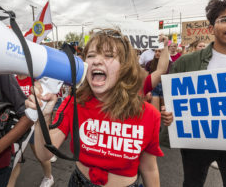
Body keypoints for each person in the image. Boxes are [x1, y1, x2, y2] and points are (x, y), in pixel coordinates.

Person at [27, 28, 163, 187]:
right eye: (91, 55)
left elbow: (149, 168)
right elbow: (44, 154)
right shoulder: (75, 103)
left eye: (109, 55)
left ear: (125, 66)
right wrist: (42, 117)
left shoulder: (149, 114)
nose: (97, 61)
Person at [161, 0, 226, 187]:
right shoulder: (187, 62)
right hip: (197, 143)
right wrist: (168, 115)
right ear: (212, 27)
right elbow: (171, 103)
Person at [7, 74, 54, 187]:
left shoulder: (34, 78)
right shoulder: (13, 78)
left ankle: (49, 177)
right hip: (17, 125)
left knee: (40, 156)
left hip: (33, 125)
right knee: (15, 160)